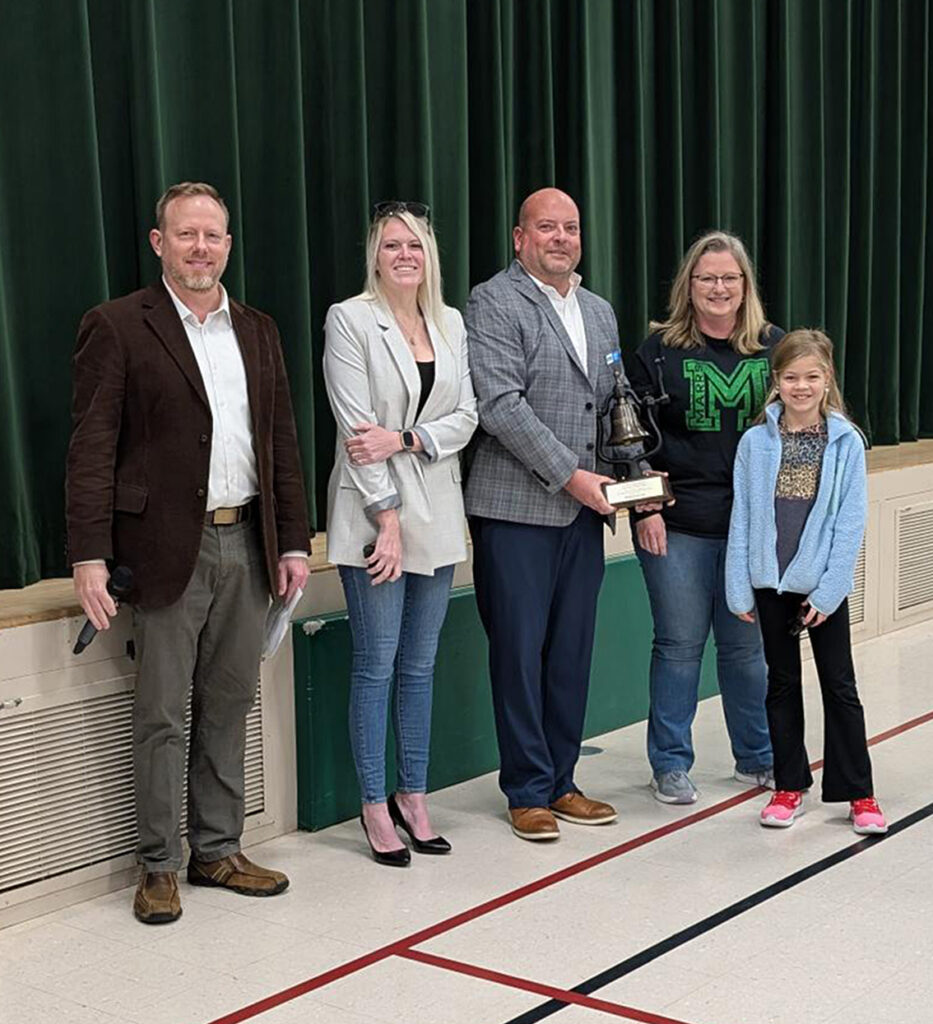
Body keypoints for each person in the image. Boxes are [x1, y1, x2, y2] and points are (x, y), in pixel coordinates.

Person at [66, 182, 310, 923]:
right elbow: (91, 448)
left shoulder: (258, 329)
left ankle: (216, 849)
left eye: (213, 236)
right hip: (166, 548)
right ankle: (158, 865)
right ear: (158, 242)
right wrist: (88, 555)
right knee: (162, 713)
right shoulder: (116, 326)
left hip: (250, 540)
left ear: (228, 245)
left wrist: (293, 540)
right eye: (186, 235)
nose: (200, 248)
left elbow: (281, 446)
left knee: (231, 702)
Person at [465, 187, 651, 841]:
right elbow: (500, 404)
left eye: (570, 228)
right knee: (518, 654)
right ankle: (524, 789)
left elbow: (615, 399)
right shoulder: (492, 301)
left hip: (584, 514)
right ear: (519, 238)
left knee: (569, 654)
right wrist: (573, 477)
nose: (560, 238)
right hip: (515, 512)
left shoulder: (598, 311)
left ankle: (561, 781)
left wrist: (637, 482)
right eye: (547, 227)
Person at [323, 201, 477, 866]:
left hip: (437, 512)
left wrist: (409, 437)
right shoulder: (349, 319)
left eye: (413, 245)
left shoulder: (450, 323)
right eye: (391, 246)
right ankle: (373, 804)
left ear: (428, 255)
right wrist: (385, 520)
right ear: (375, 256)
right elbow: (358, 432)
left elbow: (467, 415)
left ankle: (414, 796)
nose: (404, 255)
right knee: (375, 666)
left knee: (419, 667)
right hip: (370, 512)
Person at [627, 231, 782, 805]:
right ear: (688, 287)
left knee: (746, 650)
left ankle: (758, 757)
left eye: (729, 278)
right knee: (678, 644)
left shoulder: (773, 348)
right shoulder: (659, 350)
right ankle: (669, 763)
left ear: (745, 287)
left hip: (751, 529)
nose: (718, 288)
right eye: (706, 278)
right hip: (677, 525)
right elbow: (629, 439)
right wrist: (644, 508)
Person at [726, 329, 886, 833]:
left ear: (827, 379)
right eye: (791, 377)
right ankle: (789, 785)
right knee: (781, 682)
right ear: (776, 381)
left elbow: (849, 522)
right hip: (770, 583)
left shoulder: (846, 443)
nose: (801, 386)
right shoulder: (755, 443)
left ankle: (859, 793)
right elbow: (744, 516)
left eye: (811, 377)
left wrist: (830, 589)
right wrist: (739, 584)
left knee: (840, 685)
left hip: (822, 585)